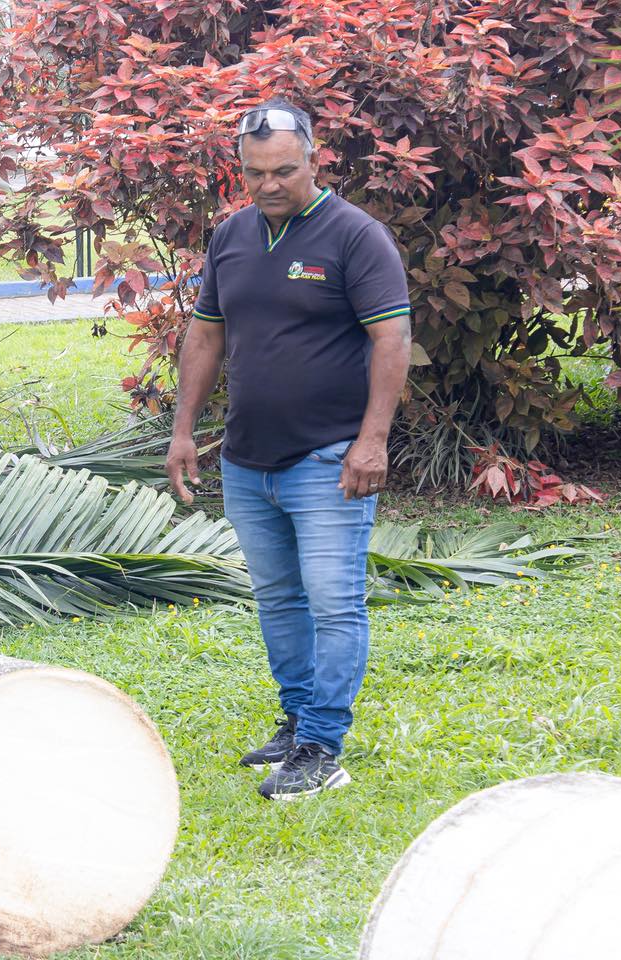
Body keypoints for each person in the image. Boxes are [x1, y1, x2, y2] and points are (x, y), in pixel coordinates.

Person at [166, 100, 412, 800]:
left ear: (314, 159)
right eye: (255, 173)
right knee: (278, 599)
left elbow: (391, 340)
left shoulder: (356, 236)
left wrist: (372, 442)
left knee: (333, 603)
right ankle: (297, 721)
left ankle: (321, 748)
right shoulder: (232, 235)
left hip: (329, 459)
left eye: (284, 170)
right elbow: (206, 334)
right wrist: (183, 431)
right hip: (247, 461)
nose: (269, 184)